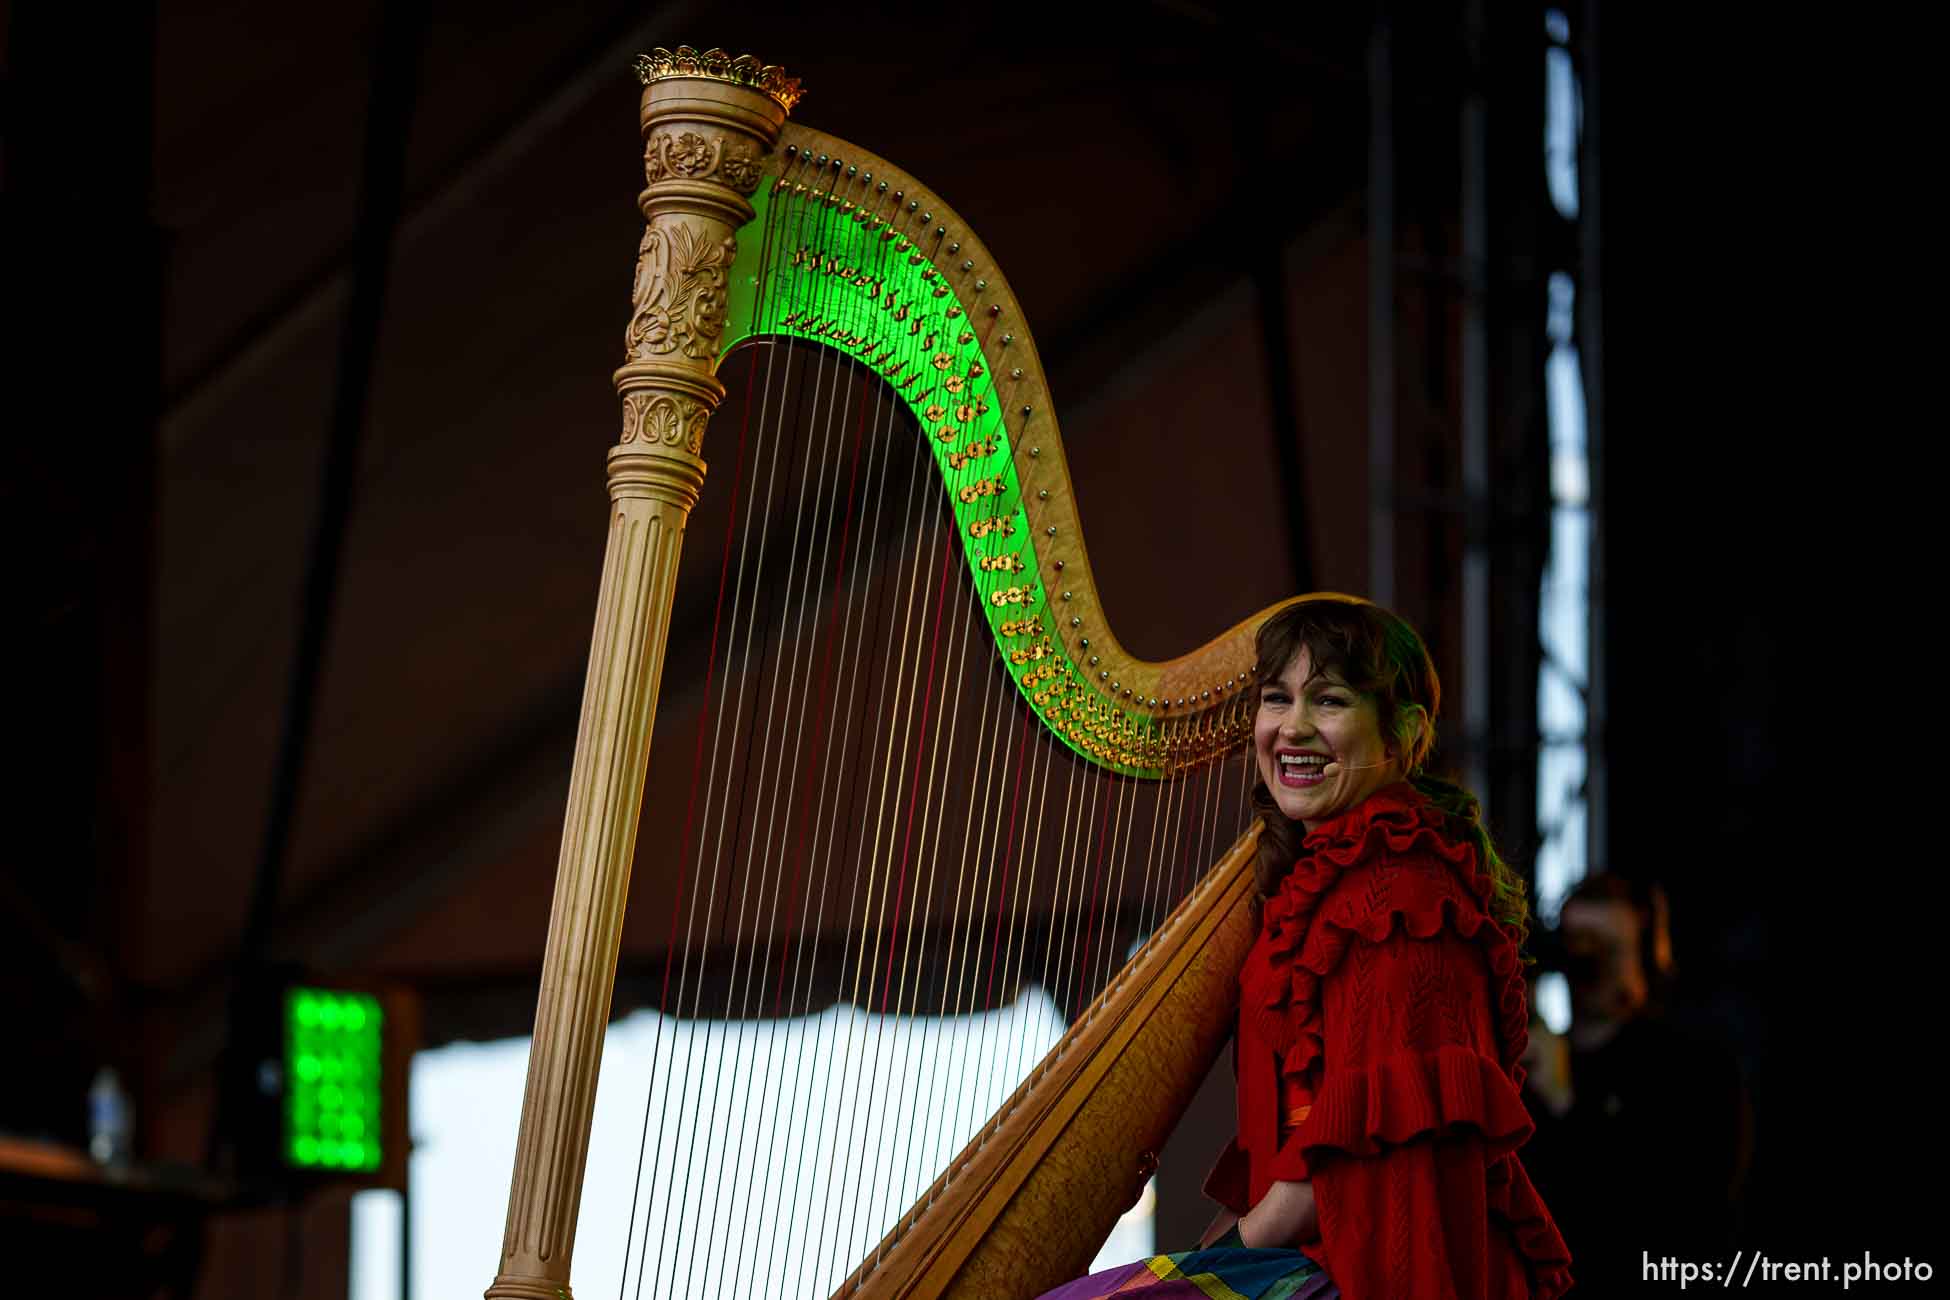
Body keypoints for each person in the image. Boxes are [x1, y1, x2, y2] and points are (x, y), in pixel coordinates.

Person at [1037, 595, 1571, 1300]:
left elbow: (1336, 1166)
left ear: (1402, 735)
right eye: (1276, 699)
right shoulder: (1319, 885)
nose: (1292, 727)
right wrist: (1197, 1265)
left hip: (1369, 1272)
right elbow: (1287, 1154)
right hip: (1311, 1253)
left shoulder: (1402, 900)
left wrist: (1205, 1269)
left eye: (1329, 701)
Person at [1521, 874, 1749, 1295]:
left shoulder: (1693, 1069)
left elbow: (1678, 1218)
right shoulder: (1540, 1062)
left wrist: (1567, 1104)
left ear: (1645, 953)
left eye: (1605, 949)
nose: (1586, 963)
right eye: (1576, 943)